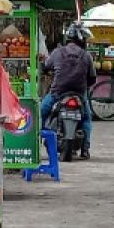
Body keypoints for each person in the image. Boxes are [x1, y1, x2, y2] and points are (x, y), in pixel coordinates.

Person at [40, 22, 97, 159]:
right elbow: (92, 78)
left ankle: (36, 141)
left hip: (57, 93)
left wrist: (46, 68)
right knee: (87, 119)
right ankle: (85, 149)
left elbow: (46, 67)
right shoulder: (86, 56)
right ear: (82, 40)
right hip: (79, 94)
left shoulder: (57, 52)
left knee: (41, 112)